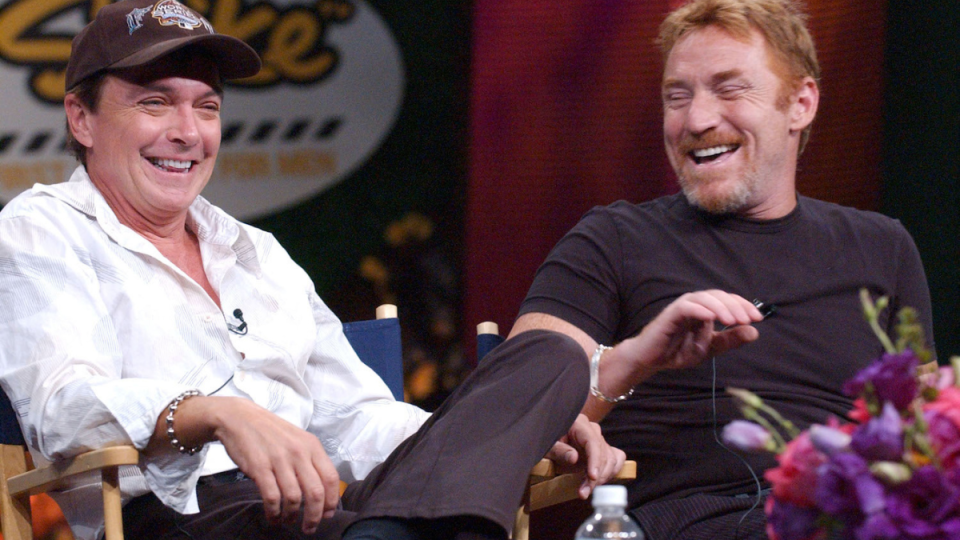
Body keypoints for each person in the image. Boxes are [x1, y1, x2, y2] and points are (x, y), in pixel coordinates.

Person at [0, 2, 625, 540]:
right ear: (81, 117)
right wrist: (217, 414)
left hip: (332, 507)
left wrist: (500, 428)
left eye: (208, 106)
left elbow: (358, 419)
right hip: (183, 513)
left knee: (551, 357)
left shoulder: (256, 251)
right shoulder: (43, 228)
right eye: (155, 103)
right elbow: (63, 409)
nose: (188, 132)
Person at [508, 0, 936, 538]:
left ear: (800, 103)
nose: (697, 120)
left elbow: (930, 431)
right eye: (677, 97)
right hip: (691, 518)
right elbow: (513, 408)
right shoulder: (611, 239)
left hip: (855, 514)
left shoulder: (882, 246)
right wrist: (633, 361)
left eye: (730, 89)